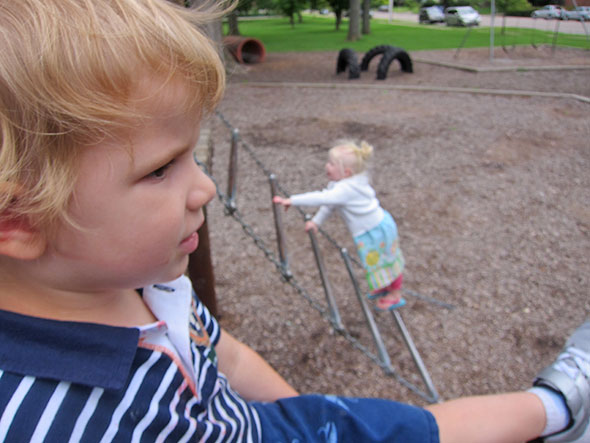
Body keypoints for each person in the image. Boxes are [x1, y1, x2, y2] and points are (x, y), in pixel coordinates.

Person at [0, 0, 588, 442]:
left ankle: (557, 407)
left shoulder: (144, 280)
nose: (205, 187)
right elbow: (322, 200)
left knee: (411, 422)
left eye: (193, 156)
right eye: (160, 169)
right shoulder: (56, 421)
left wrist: (311, 415)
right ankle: (563, 402)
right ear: (21, 220)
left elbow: (225, 356)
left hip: (268, 419)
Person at [273, 140, 406, 311]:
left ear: (346, 172)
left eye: (332, 164)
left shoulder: (346, 189)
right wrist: (316, 222)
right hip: (372, 230)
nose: (326, 166)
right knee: (377, 261)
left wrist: (292, 200)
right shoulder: (342, 185)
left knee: (387, 259)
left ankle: (394, 294)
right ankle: (385, 287)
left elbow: (322, 198)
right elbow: (329, 205)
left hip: (376, 231)